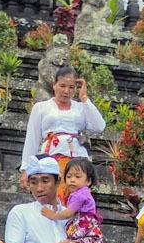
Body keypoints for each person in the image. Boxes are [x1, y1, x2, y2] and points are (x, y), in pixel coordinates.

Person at [19, 66, 106, 199]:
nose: (66, 91)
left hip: (77, 160)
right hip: (53, 158)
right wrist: (25, 168)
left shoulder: (81, 108)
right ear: (54, 84)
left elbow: (99, 126)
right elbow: (32, 138)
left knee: (78, 200)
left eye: (71, 87)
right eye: (62, 86)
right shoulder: (41, 107)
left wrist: (84, 98)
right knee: (56, 198)